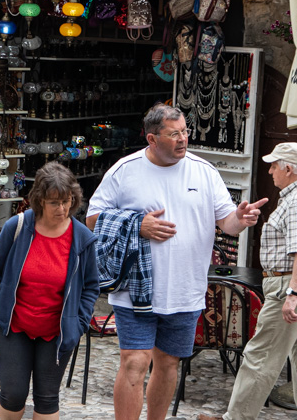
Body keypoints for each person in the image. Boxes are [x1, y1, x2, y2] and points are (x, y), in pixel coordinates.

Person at [85, 104, 267, 420]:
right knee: (134, 361)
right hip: (137, 290)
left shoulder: (204, 171)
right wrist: (137, 224)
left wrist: (240, 218)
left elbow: (227, 223)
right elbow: (91, 220)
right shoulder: (124, 170)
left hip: (186, 289)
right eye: (174, 134)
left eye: (184, 131)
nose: (183, 139)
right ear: (152, 139)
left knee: (168, 363)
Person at [198, 142, 297, 420]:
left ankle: (235, 418)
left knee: (260, 356)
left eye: (274, 165)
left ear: (288, 168)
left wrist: (292, 294)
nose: (270, 170)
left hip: (292, 285)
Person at [0, 162, 99, 420]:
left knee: (46, 397)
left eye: (67, 201)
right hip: (14, 325)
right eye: (54, 202)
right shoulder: (17, 227)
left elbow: (91, 286)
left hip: (57, 330)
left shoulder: (82, 238)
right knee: (13, 394)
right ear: (40, 200)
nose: (62, 208)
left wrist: (78, 323)